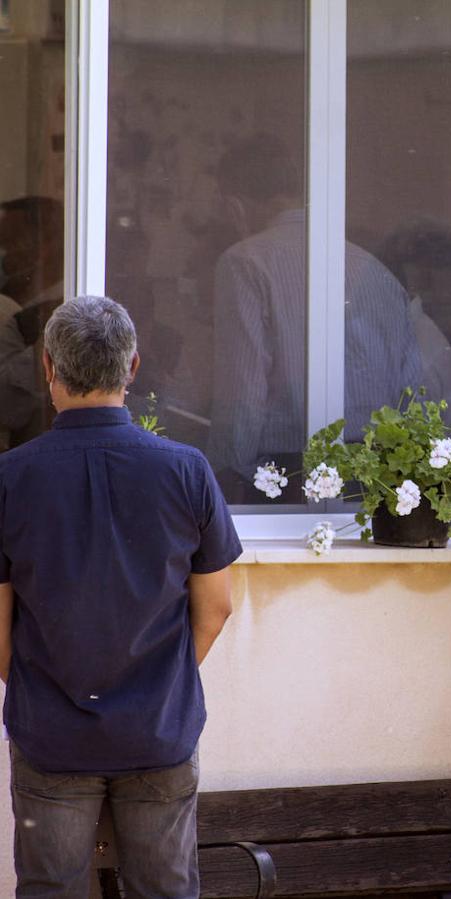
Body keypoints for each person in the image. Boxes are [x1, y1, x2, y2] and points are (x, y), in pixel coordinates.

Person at [0, 296, 240, 897]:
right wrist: (159, 686)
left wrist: (37, 689)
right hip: (158, 731)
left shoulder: (10, 478)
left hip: (50, 735)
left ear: (48, 369)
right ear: (132, 368)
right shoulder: (186, 470)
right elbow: (216, 607)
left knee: (49, 891)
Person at [210, 134, 422, 501]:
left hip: (283, 474)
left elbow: (242, 394)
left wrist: (224, 484)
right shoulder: (374, 269)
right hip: (379, 475)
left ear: (235, 207)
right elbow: (411, 386)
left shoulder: (245, 264)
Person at [0, 196, 65, 449]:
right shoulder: (19, 310)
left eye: (9, 244)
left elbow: (7, 406)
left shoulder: (53, 313)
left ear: (44, 247)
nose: (4, 256)